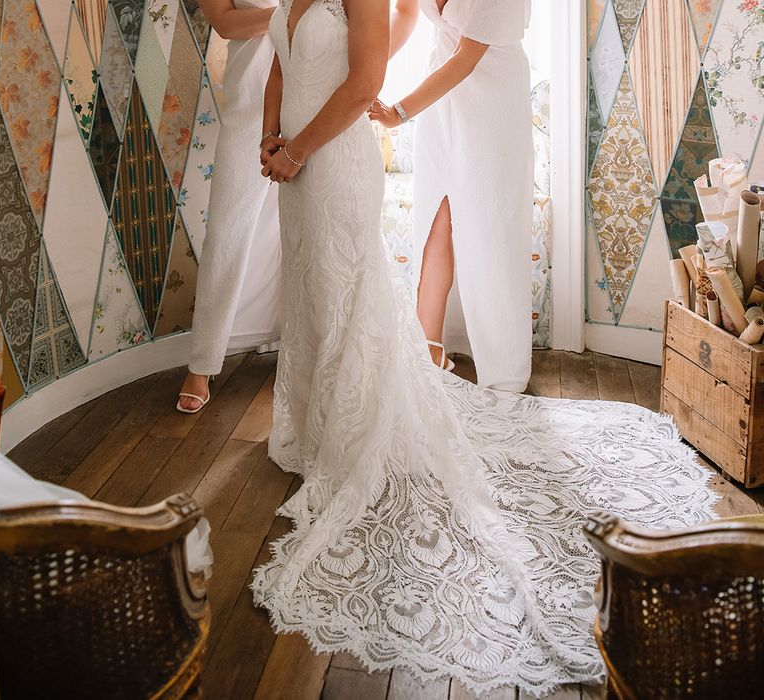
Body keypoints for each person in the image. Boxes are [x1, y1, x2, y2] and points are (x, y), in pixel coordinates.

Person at [250, 0, 717, 694]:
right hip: (318, 150)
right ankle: (341, 405)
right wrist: (272, 138)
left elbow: (386, 71)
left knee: (396, 268)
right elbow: (286, 66)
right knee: (332, 279)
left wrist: (323, 137)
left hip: (385, 135)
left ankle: (425, 395)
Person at [370, 0, 533, 391]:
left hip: (493, 100)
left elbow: (466, 58)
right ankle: (428, 346)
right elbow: (404, 12)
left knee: (489, 226)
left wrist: (399, 111)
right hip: (441, 96)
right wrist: (362, 66)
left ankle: (504, 368)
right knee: (436, 212)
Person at [177, 0, 281, 413]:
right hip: (251, 100)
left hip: (316, 92)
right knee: (228, 227)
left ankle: (297, 341)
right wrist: (287, 16)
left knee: (303, 225)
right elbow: (223, 23)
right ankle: (202, 364)